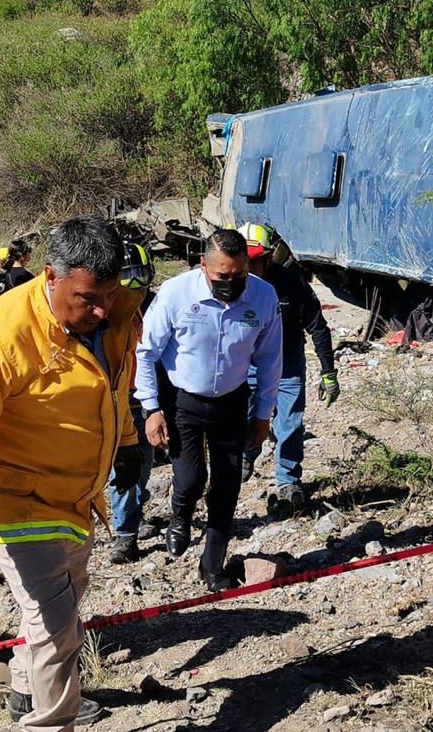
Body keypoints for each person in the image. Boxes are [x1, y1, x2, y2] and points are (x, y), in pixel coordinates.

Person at [0, 216, 144, 731]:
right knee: (57, 626)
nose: (100, 308)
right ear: (49, 276)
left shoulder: (118, 312)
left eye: (109, 291)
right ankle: (51, 721)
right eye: (87, 297)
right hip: (11, 497)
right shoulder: (4, 332)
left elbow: (114, 386)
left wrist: (126, 442)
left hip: (74, 496)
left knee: (62, 598)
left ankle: (23, 690)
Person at [135, 229, 282, 590]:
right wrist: (151, 409)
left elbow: (270, 358)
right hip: (182, 401)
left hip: (232, 401)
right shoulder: (176, 294)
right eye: (222, 276)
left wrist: (263, 414)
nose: (231, 282)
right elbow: (146, 352)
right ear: (203, 265)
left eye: (239, 275)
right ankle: (180, 514)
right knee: (190, 478)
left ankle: (212, 566)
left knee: (227, 485)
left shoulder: (262, 297)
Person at [238, 224, 339, 515]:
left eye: (255, 260)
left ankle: (288, 480)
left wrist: (328, 371)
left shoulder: (291, 284)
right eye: (245, 260)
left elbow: (318, 326)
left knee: (290, 422)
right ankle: (247, 454)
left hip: (287, 361)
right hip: (249, 362)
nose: (249, 267)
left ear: (269, 258)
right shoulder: (233, 285)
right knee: (242, 416)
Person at [107, 242, 158, 564]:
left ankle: (135, 513)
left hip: (149, 399)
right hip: (118, 400)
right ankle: (125, 534)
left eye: (140, 275)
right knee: (122, 469)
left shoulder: (158, 304)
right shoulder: (104, 313)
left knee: (145, 465)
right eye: (129, 276)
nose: (136, 283)